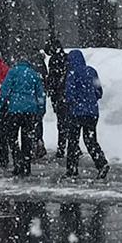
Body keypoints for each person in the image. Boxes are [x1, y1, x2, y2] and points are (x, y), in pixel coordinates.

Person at [0, 54, 47, 178]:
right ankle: (27, 165)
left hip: (14, 110)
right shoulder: (34, 74)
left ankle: (17, 161)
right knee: (27, 139)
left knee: (12, 137)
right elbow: (40, 94)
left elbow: (5, 90)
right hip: (30, 111)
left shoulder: (12, 72)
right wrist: (41, 110)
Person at [61, 48, 109, 178]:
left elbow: (68, 94)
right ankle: (101, 163)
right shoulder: (92, 71)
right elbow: (99, 92)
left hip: (76, 112)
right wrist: (90, 99)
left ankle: (72, 169)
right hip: (92, 112)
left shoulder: (72, 73)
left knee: (73, 141)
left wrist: (71, 103)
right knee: (90, 140)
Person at [41, 38, 70, 167]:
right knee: (69, 122)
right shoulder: (67, 58)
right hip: (68, 96)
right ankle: (71, 146)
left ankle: (61, 147)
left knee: (62, 123)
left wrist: (50, 90)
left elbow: (52, 79)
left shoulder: (54, 60)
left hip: (59, 96)